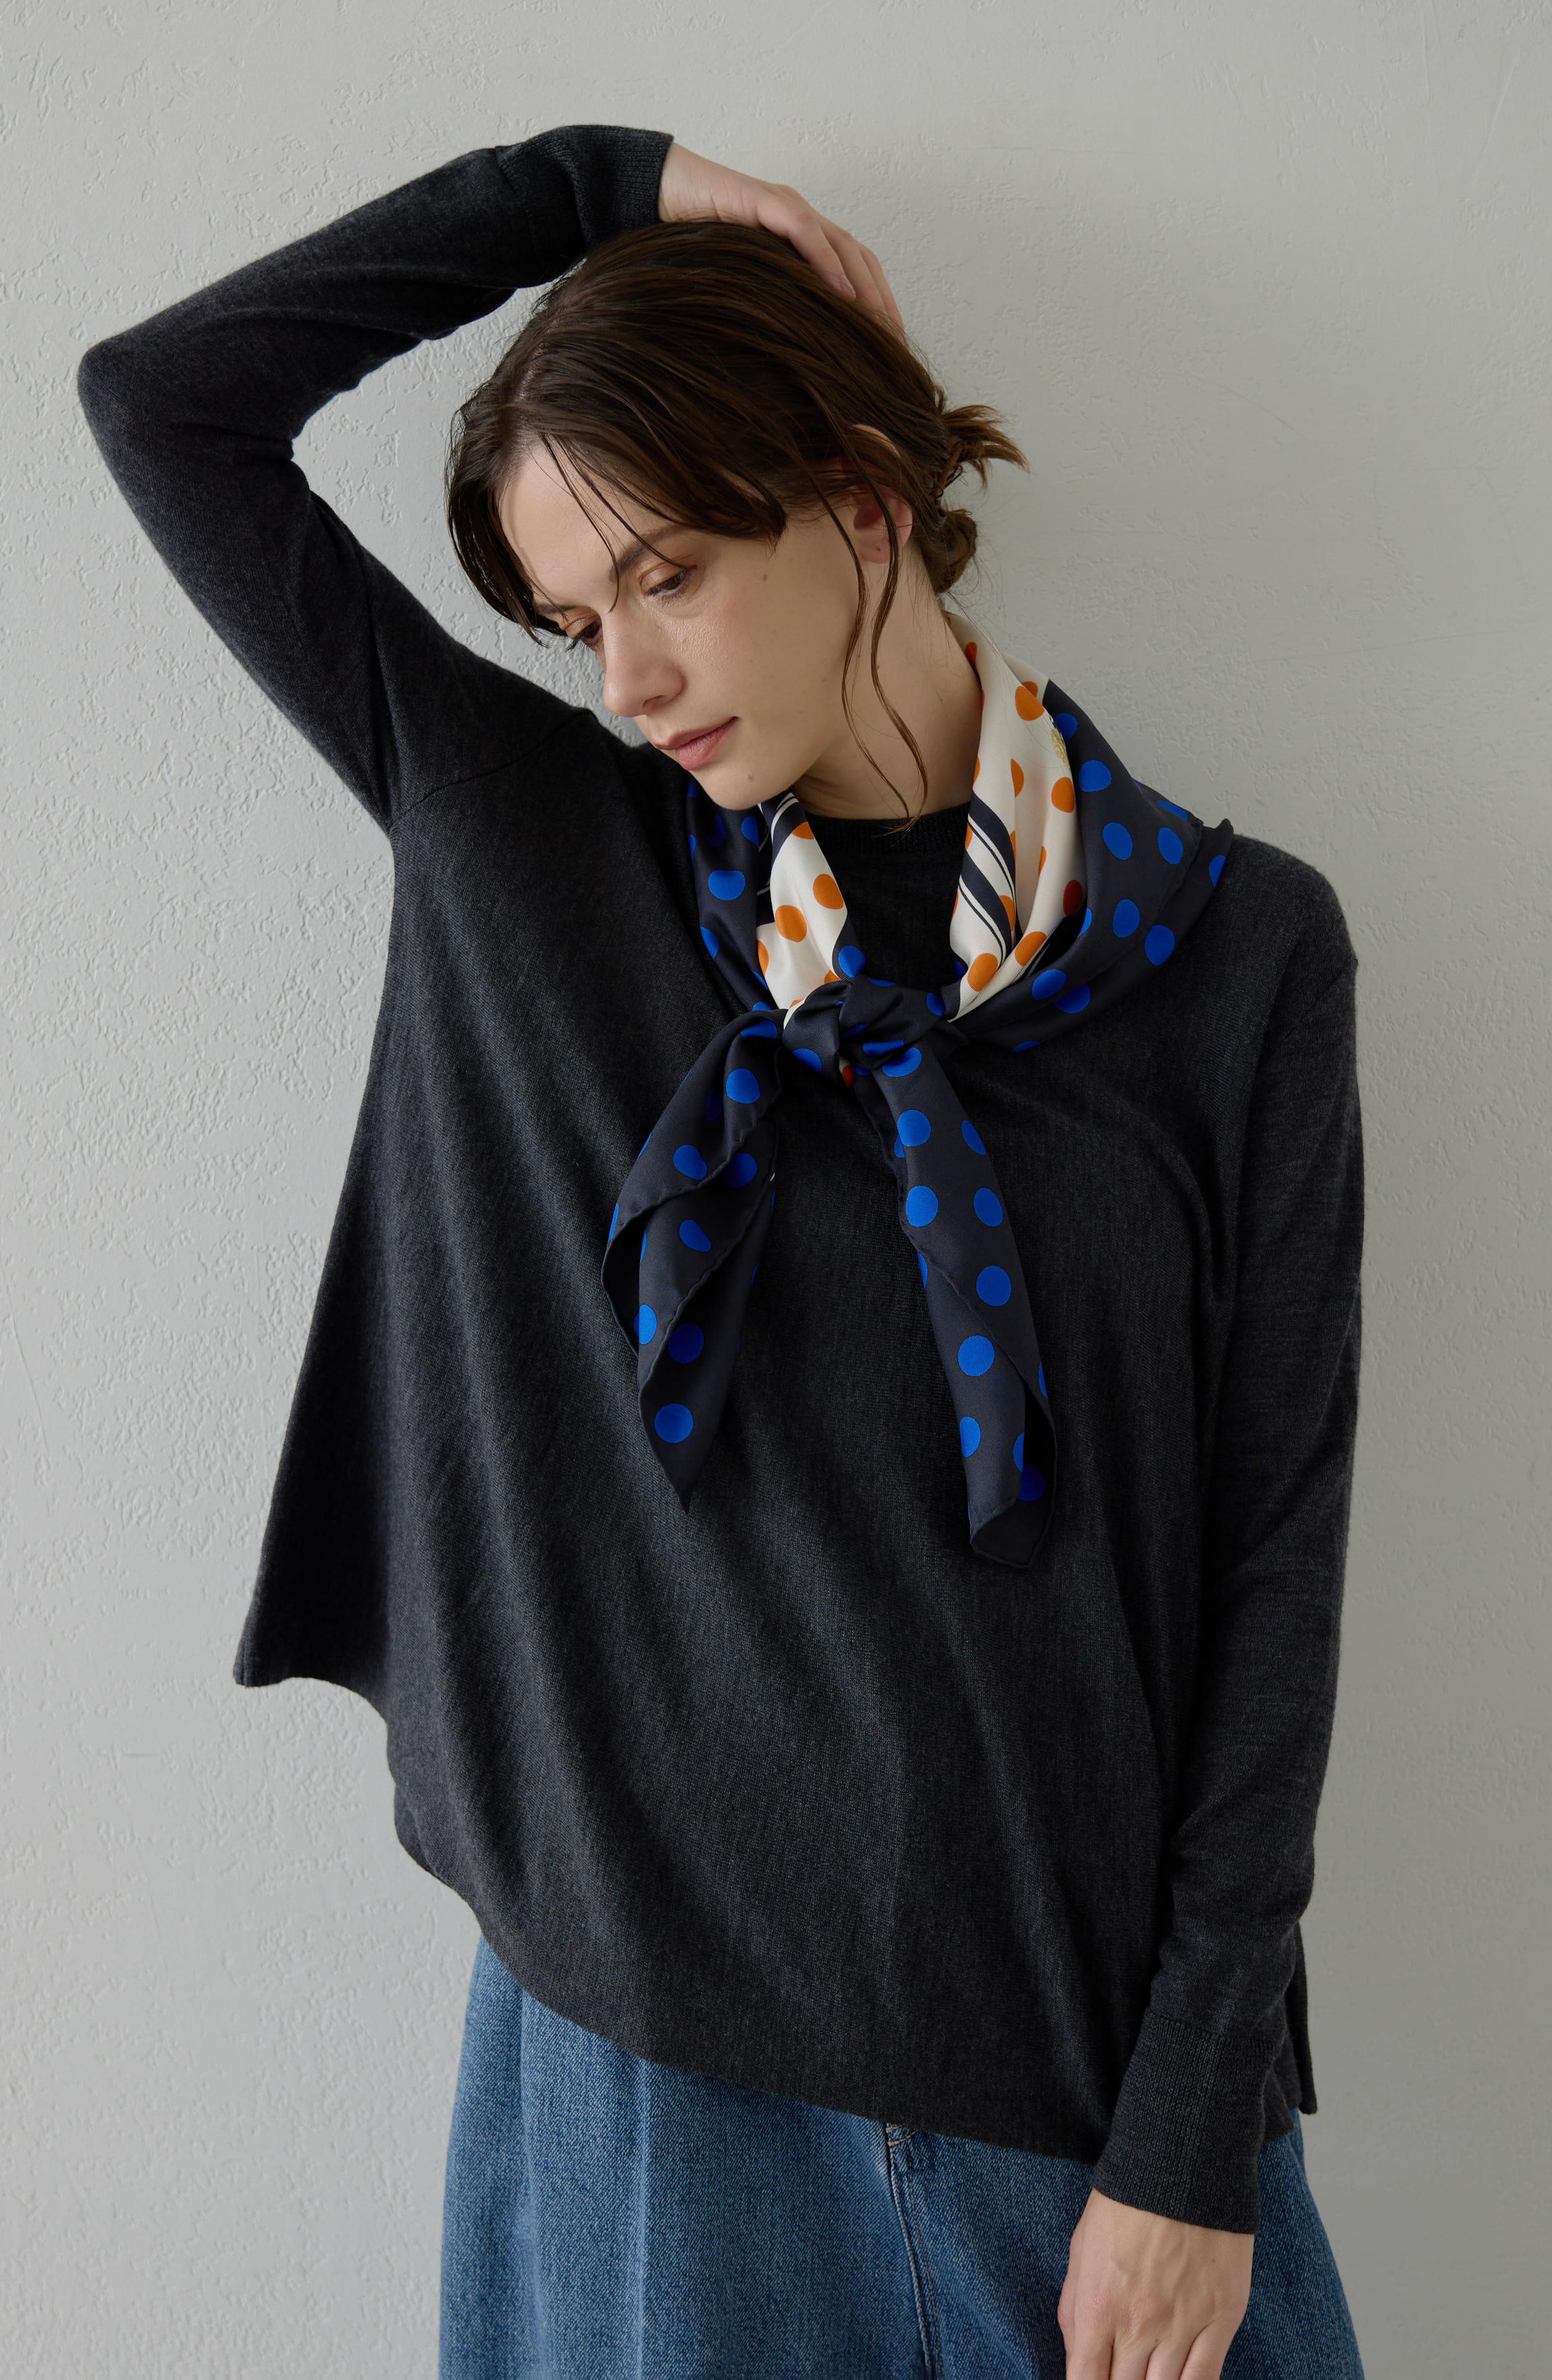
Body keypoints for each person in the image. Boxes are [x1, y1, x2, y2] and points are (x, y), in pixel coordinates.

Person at [77, 120, 1366, 2380]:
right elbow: (162, 401)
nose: (628, 682)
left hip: (1080, 2080)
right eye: (576, 620)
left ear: (861, 501)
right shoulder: (532, 847)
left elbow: (1271, 1566)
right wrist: (585, 186)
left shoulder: (1235, 955)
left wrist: (1189, 2135)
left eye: (666, 576)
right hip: (644, 2067)